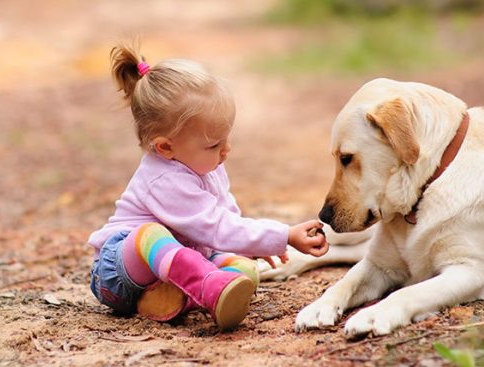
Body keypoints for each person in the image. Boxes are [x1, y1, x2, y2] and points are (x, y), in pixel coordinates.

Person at [87, 43, 328, 330]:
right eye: (214, 144)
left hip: (177, 265)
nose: (226, 150)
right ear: (165, 147)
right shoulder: (163, 179)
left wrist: (252, 244)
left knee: (243, 271)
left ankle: (172, 298)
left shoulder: (207, 164)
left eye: (226, 138)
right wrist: (283, 235)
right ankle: (205, 285)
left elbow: (226, 213)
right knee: (150, 234)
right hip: (121, 272)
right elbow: (215, 227)